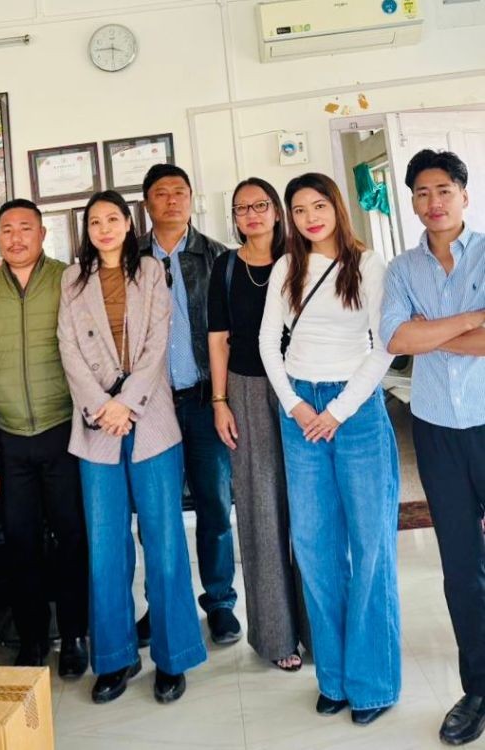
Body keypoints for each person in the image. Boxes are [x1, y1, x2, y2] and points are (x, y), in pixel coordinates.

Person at [259, 173, 400, 726]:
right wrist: (295, 404)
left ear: (337, 207)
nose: (310, 217)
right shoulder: (285, 268)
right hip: (300, 410)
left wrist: (337, 410)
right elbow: (268, 342)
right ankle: (335, 677)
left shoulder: (368, 265)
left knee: (370, 545)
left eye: (319, 205)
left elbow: (385, 344)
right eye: (299, 210)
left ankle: (373, 682)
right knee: (315, 546)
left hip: (356, 410)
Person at [58, 190, 207, 705]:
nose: (104, 229)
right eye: (94, 222)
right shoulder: (71, 280)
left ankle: (172, 656)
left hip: (151, 420)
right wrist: (103, 406)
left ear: (128, 223)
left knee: (164, 542)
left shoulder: (150, 271)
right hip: (96, 424)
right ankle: (115, 658)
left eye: (112, 219)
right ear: (87, 231)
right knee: (106, 547)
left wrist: (127, 404)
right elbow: (68, 349)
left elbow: (158, 345)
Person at [381, 149, 485, 746]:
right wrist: (471, 319)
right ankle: (479, 687)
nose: (433, 202)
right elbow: (397, 338)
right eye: (422, 192)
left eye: (444, 189)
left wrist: (431, 331)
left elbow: (423, 337)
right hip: (437, 428)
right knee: (462, 567)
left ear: (464, 195)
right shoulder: (402, 269)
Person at [0, 198, 89, 678]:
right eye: (6, 230)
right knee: (21, 542)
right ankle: (33, 637)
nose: (16, 238)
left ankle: (74, 634)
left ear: (42, 234)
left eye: (25, 228)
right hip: (9, 436)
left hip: (63, 429)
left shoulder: (69, 279)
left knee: (71, 536)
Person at [136, 163, 240, 646]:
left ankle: (219, 602)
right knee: (156, 514)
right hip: (151, 406)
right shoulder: (130, 257)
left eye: (180, 191)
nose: (172, 200)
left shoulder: (218, 256)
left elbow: (230, 335)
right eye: (161, 193)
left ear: (191, 198)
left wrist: (224, 399)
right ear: (147, 203)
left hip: (203, 400)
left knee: (214, 504)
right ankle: (162, 604)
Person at [206, 177, 305, 671]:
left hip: (305, 390)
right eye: (241, 208)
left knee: (309, 510)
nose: (252, 214)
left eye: (260, 205)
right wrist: (220, 401)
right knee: (260, 511)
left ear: (276, 211)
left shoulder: (303, 257)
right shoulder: (225, 268)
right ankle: (276, 635)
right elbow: (218, 339)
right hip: (246, 390)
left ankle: (318, 629)